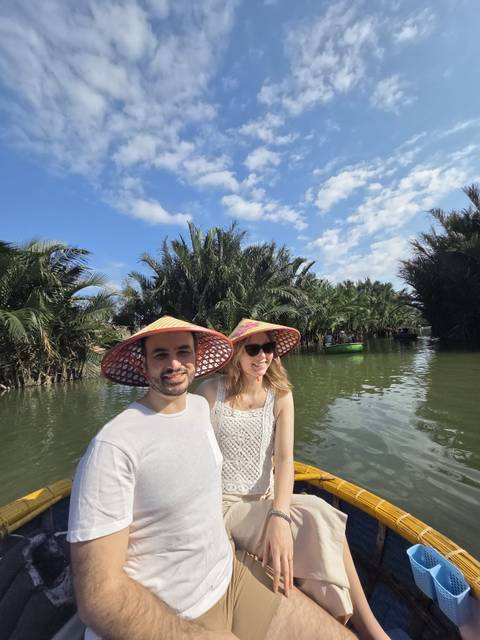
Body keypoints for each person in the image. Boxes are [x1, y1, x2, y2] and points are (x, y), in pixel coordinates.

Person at [67, 315, 356, 640]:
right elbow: (98, 598)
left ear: (195, 357)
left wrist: (276, 510)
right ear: (144, 364)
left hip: (230, 577)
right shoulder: (114, 445)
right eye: (161, 355)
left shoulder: (197, 407)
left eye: (183, 352)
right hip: (175, 613)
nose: (174, 363)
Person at [198, 318, 389, 640]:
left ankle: (363, 626)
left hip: (265, 501)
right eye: (253, 349)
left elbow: (285, 460)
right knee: (316, 510)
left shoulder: (280, 396)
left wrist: (279, 514)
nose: (262, 357)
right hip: (222, 506)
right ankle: (366, 628)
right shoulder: (211, 393)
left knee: (323, 517)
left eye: (269, 348)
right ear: (236, 354)